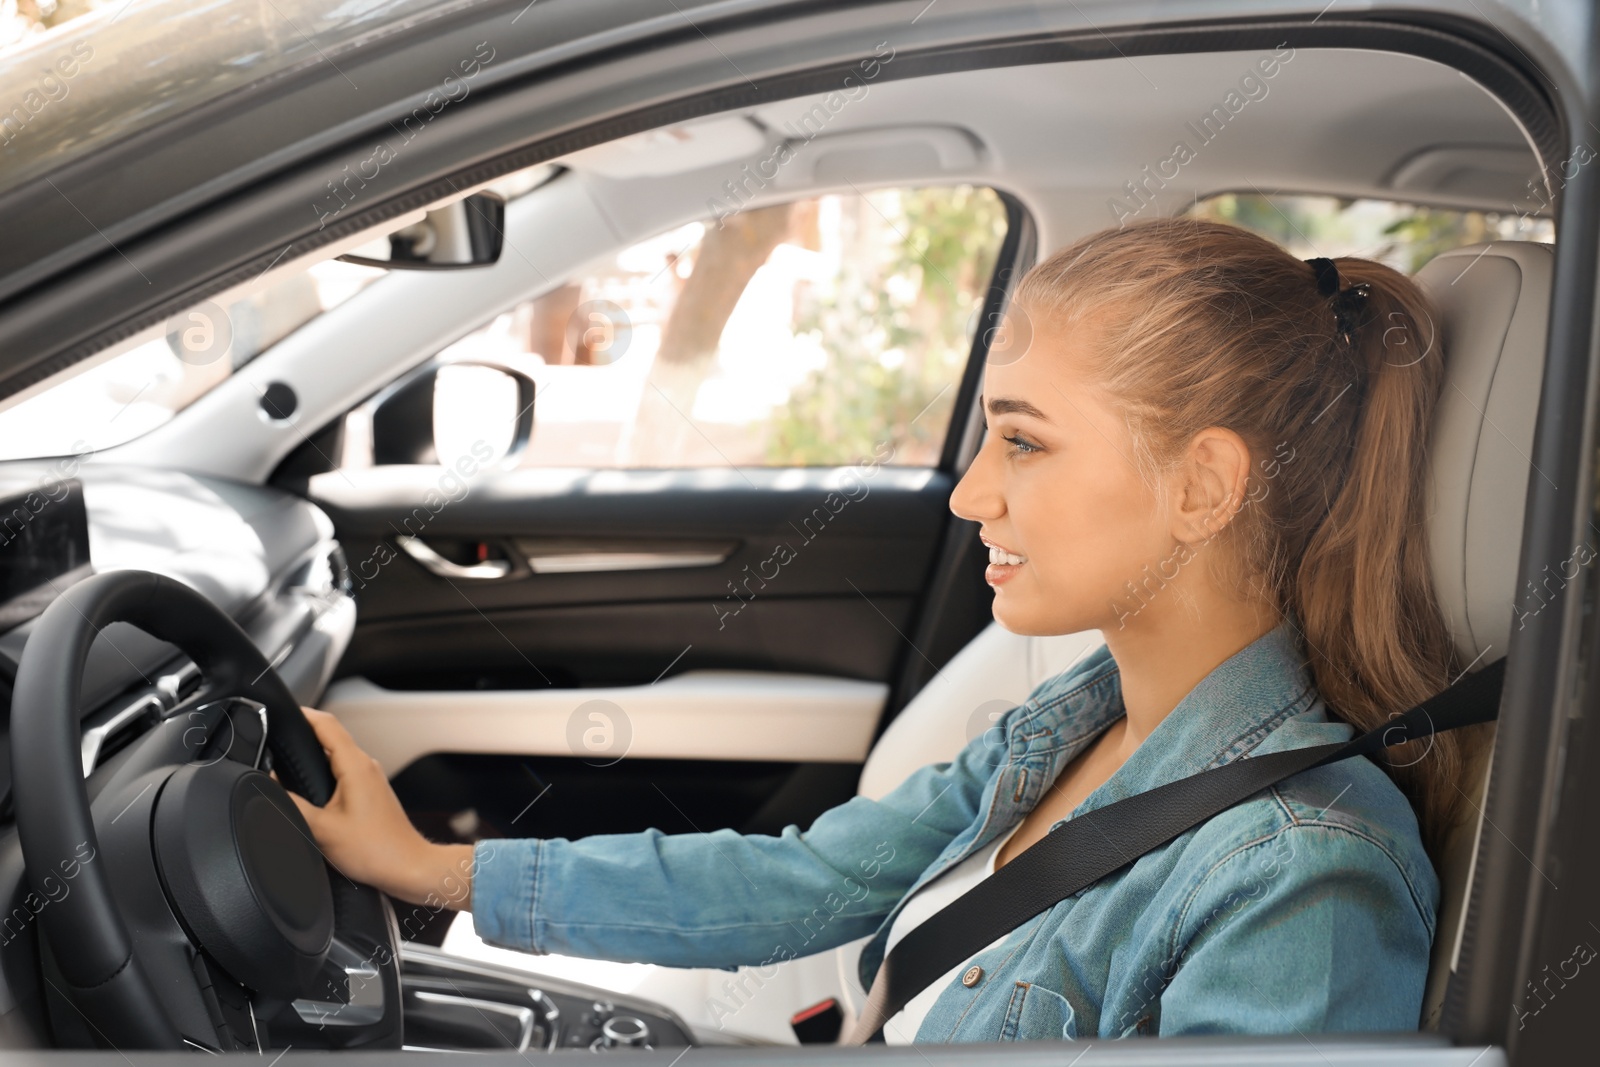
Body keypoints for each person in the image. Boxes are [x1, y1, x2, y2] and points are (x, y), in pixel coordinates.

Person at [286, 216, 1471, 1042]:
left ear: (1203, 488)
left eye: (1024, 439)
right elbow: (802, 881)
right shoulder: (1070, 725)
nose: (968, 495)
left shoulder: (1300, 877)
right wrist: (430, 865)